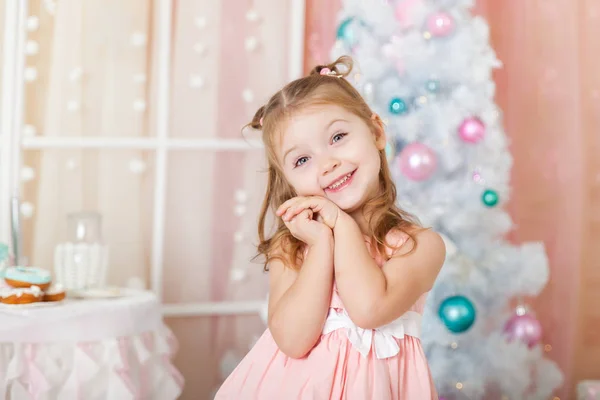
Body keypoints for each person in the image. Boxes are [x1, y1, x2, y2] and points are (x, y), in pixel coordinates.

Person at [215, 56, 445, 399]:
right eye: (302, 160)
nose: (328, 163)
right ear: (290, 182)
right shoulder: (294, 248)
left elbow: (369, 309)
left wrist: (342, 226)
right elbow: (293, 341)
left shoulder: (419, 245)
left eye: (338, 137)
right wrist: (322, 243)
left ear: (376, 132)